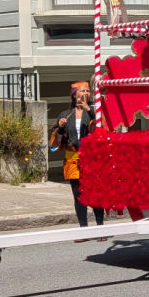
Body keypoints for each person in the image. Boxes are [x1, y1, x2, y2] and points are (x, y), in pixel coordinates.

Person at [49, 82, 106, 242]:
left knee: (95, 194)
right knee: (79, 196)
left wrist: (89, 110)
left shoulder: (94, 113)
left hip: (91, 159)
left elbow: (100, 131)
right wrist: (60, 128)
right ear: (74, 94)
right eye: (82, 91)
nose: (86, 93)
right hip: (73, 159)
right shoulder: (65, 114)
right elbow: (55, 144)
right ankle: (83, 230)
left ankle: (100, 229)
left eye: (88, 91)